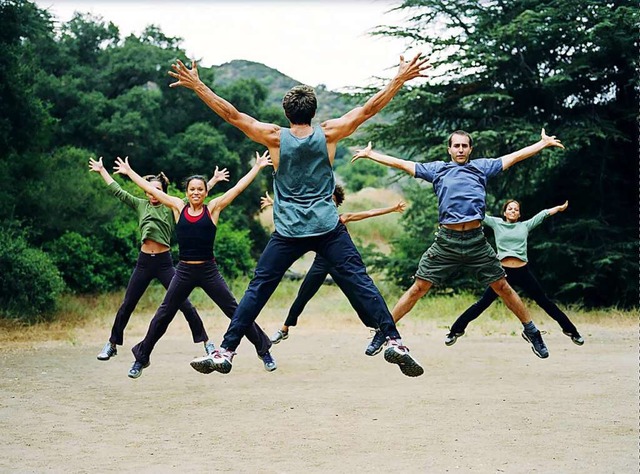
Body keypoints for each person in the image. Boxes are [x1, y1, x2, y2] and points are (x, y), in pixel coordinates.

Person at [170, 53, 431, 377]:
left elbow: (233, 116)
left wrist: (199, 86)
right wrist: (398, 80)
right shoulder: (331, 133)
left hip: (289, 230)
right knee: (361, 281)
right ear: (314, 111)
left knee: (258, 289)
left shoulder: (275, 137)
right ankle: (394, 341)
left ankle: (226, 351)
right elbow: (368, 109)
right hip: (327, 226)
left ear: (286, 112)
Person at [351, 128, 565, 359]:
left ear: (470, 149)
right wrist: (372, 155)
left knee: (502, 287)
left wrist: (541, 144)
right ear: (449, 149)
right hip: (446, 242)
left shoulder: (481, 167)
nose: (460, 149)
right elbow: (404, 164)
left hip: (476, 241)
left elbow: (513, 157)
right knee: (419, 288)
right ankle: (384, 332)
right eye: (456, 146)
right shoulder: (437, 170)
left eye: (465, 146)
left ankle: (531, 331)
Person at [112, 152, 276, 379]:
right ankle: (141, 358)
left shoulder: (214, 208)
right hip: (185, 271)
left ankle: (263, 350)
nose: (196, 192)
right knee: (164, 314)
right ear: (187, 192)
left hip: (209, 270)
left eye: (200, 189)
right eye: (192, 189)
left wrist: (257, 167)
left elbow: (237, 188)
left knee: (236, 311)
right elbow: (152, 190)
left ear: (206, 191)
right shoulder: (178, 207)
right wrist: (130, 173)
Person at [89, 157, 228, 362]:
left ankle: (206, 343)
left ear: (163, 191)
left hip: (164, 262)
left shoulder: (171, 206)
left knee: (185, 304)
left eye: (158, 190)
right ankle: (112, 344)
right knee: (128, 303)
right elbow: (117, 191)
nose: (154, 193)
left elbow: (196, 195)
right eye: (150, 190)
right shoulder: (140, 205)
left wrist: (213, 181)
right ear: (146, 192)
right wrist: (102, 171)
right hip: (144, 262)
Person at [259, 186, 406, 345]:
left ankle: (380, 330)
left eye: (333, 201)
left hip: (339, 265)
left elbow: (369, 213)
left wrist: (392, 208)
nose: (329, 203)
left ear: (336, 205)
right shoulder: (316, 219)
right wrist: (274, 203)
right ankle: (284, 329)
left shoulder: (341, 218)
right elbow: (297, 211)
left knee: (357, 299)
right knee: (303, 295)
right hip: (320, 263)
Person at [446, 199, 584, 346]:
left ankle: (572, 332)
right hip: (502, 273)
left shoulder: (525, 225)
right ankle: (455, 331)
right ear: (505, 212)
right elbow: (478, 214)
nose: (513, 211)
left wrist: (559, 207)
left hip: (523, 272)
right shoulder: (496, 223)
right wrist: (459, 202)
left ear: (519, 214)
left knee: (544, 302)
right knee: (483, 303)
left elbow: (543, 214)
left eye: (516, 209)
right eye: (510, 209)